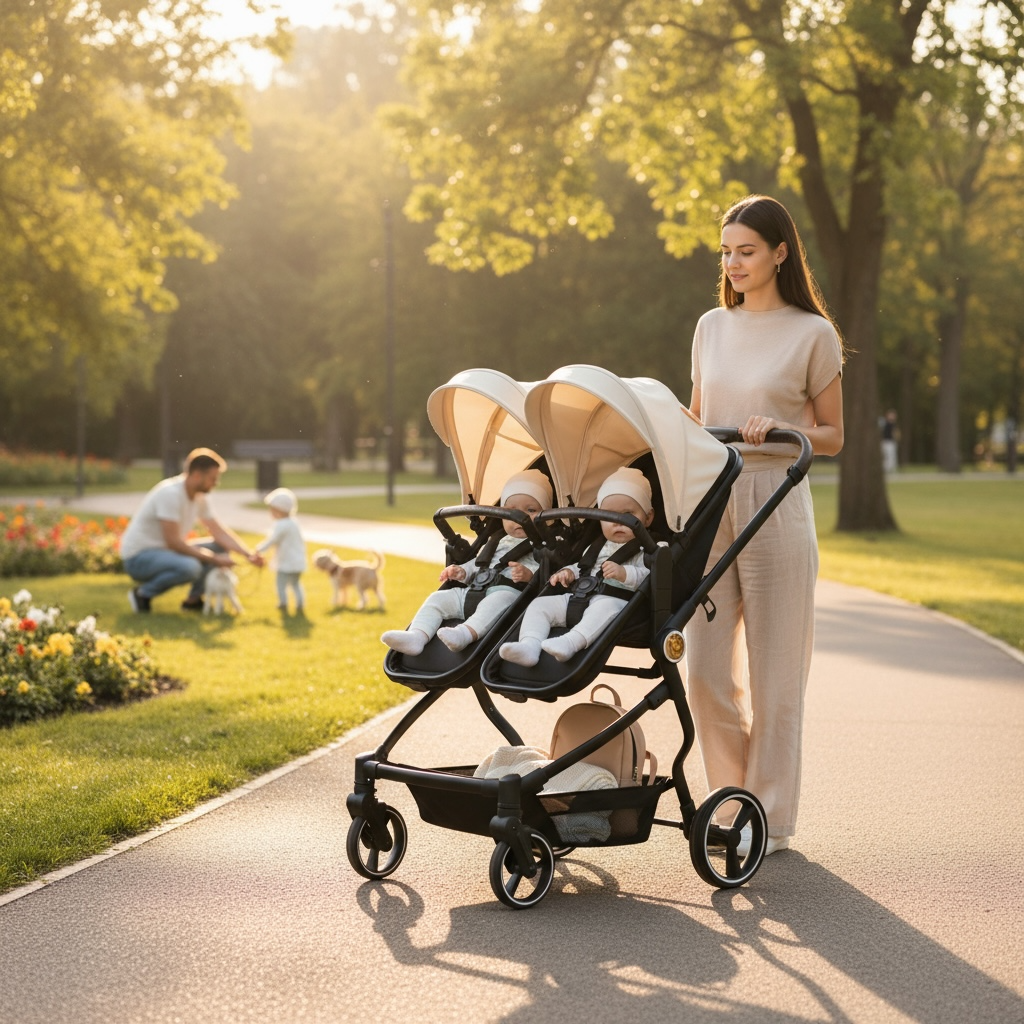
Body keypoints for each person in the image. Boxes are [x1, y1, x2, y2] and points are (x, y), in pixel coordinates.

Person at [685, 194, 844, 857]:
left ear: (781, 253)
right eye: (726, 251)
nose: (734, 263)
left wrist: (782, 431)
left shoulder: (814, 334)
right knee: (701, 671)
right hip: (709, 501)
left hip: (776, 500)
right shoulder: (710, 326)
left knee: (778, 676)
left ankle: (769, 818)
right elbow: (697, 417)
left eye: (746, 250)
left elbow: (833, 436)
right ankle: (731, 801)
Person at [380, 469, 552, 655]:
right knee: (438, 599)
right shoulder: (496, 540)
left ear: (546, 518)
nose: (521, 518)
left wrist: (528, 575)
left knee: (498, 601)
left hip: (507, 593)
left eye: (531, 510)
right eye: (512, 511)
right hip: (473, 590)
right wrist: (462, 571)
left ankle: (464, 634)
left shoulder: (543, 544)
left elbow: (546, 573)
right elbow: (479, 563)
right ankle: (416, 636)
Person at [499, 467, 654, 667]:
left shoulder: (651, 547)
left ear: (648, 518)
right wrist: (567, 572)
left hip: (617, 602)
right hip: (579, 598)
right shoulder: (597, 545)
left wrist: (625, 574)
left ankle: (570, 643)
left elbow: (652, 576)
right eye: (610, 516)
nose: (618, 523)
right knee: (540, 605)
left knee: (605, 607)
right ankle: (530, 645)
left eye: (628, 515)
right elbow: (583, 566)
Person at [120, 448, 265, 613]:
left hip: (165, 551)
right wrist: (214, 559)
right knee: (191, 567)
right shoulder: (170, 494)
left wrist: (248, 554)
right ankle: (142, 594)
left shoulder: (200, 496)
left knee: (219, 547)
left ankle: (192, 601)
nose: (216, 483)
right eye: (213, 478)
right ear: (197, 475)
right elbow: (173, 542)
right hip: (139, 558)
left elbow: (218, 531)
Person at [255, 487, 307, 615]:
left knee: (281, 584)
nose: (270, 512)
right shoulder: (294, 522)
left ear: (279, 510)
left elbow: (272, 540)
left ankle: (283, 603)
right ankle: (300, 603)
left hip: (286, 562)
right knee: (295, 583)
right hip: (298, 561)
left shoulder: (281, 525)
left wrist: (259, 550)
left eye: (272, 509)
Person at [881, 408, 899, 473]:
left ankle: (891, 469)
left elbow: (895, 434)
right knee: (886, 456)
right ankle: (886, 469)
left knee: (892, 456)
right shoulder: (884, 423)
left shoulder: (893, 424)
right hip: (885, 442)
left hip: (891, 442)